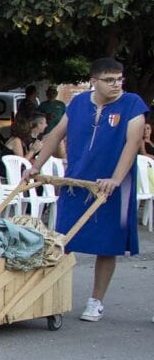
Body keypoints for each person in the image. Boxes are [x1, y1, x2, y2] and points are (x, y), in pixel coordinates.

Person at [29, 58, 147, 323]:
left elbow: (132, 143)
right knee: (63, 240)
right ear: (94, 82)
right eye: (109, 80)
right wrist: (35, 166)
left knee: (107, 245)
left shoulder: (132, 104)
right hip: (77, 182)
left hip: (112, 186)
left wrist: (116, 179)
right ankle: (49, 294)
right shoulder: (79, 103)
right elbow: (56, 135)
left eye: (119, 79)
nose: (117, 85)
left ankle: (96, 301)